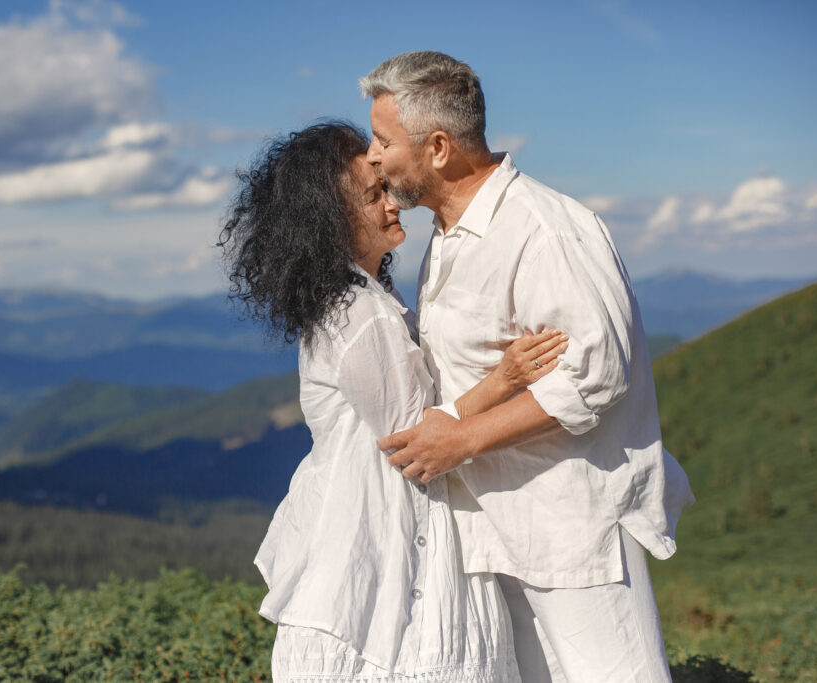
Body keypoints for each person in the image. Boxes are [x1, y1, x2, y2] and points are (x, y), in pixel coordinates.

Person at [359, 52, 696, 682]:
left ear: (437, 147)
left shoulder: (546, 230)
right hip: (491, 524)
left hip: (570, 519)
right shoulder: (451, 234)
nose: (373, 156)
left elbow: (596, 375)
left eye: (382, 141)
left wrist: (462, 439)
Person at [219, 122, 568, 681]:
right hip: (380, 530)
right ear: (329, 223)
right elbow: (413, 439)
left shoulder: (361, 297)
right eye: (373, 195)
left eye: (386, 187)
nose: (393, 203)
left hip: (376, 521)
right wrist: (505, 378)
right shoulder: (360, 313)